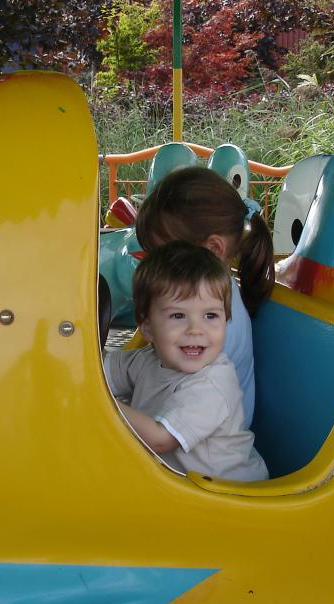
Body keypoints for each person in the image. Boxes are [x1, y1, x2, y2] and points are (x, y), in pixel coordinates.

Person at [105, 241, 269, 483]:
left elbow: (160, 439)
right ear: (148, 327)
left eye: (210, 315)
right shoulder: (148, 359)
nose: (195, 330)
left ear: (226, 320)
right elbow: (99, 370)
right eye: (178, 316)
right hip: (178, 487)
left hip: (230, 496)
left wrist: (102, 399)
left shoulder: (213, 384)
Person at [134, 166, 275, 429]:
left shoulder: (210, 325)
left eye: (163, 254)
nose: (155, 267)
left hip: (204, 450)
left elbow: (173, 425)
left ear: (212, 249)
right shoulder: (199, 298)